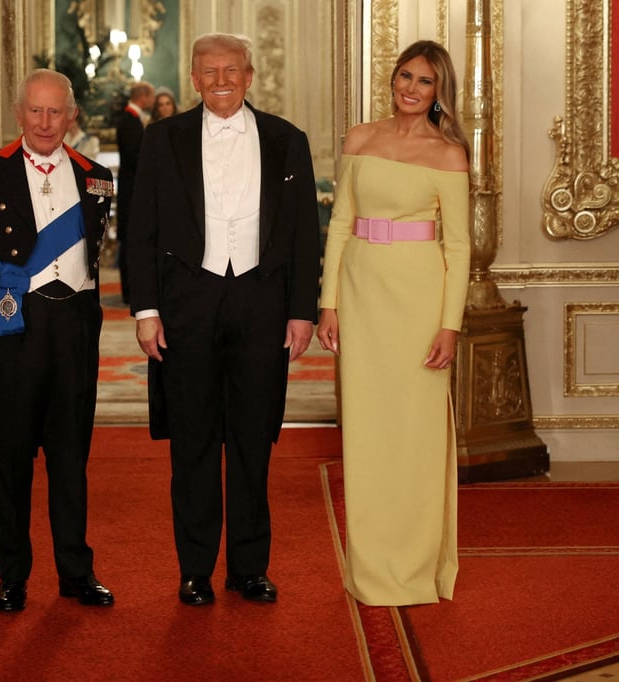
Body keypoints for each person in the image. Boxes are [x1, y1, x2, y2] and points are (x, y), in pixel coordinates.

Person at [128, 33, 320, 606]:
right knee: (191, 443)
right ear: (192, 78)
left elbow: (306, 232)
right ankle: (194, 571)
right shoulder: (162, 140)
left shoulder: (289, 141)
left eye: (231, 70)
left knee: (253, 440)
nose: (220, 81)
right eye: (209, 71)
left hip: (262, 303)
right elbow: (142, 230)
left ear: (250, 75)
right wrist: (146, 310)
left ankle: (249, 567)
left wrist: (301, 311)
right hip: (187, 303)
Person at [0, 69, 115, 612]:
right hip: (14, 330)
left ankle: (76, 572)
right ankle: (13, 577)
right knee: (13, 459)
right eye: (36, 111)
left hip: (75, 326)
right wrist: (10, 304)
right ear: (19, 113)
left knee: (71, 457)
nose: (46, 123)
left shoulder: (96, 178)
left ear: (71, 117)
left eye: (56, 112)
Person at [316, 40, 471, 606]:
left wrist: (448, 326)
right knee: (367, 432)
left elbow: (459, 245)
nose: (411, 88)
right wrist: (328, 301)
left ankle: (416, 567)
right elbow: (339, 224)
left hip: (419, 300)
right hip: (361, 293)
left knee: (416, 434)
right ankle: (371, 570)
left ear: (439, 92)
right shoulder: (360, 138)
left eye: (424, 81)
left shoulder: (450, 154)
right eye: (405, 76)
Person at [115, 80, 155, 305]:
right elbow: (134, 155)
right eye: (150, 97)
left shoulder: (132, 119)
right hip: (131, 188)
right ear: (143, 97)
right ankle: (129, 291)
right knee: (129, 240)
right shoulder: (129, 120)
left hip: (132, 186)